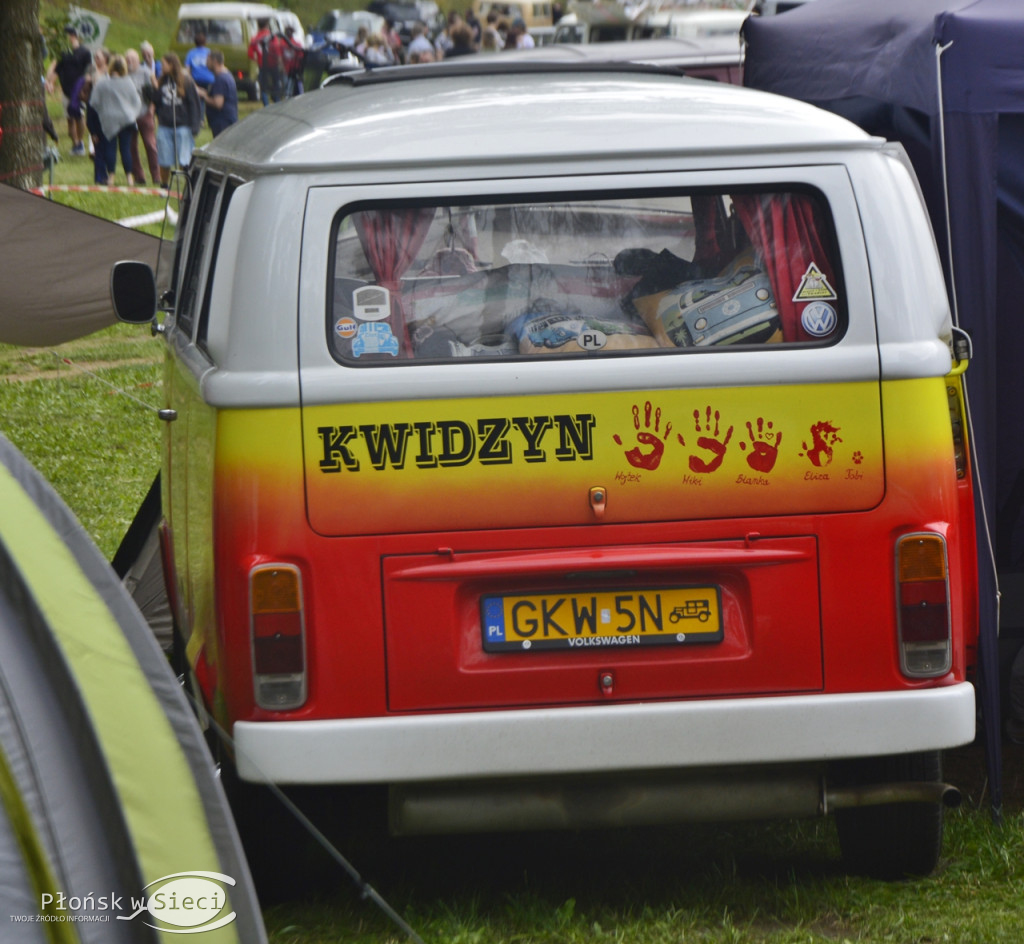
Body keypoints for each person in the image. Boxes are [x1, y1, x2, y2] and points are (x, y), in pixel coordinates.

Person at [86, 54, 142, 185]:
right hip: (127, 120)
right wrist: (132, 115)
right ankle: (129, 178)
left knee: (110, 149)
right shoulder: (129, 82)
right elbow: (137, 102)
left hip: (109, 120)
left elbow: (94, 102)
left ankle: (111, 177)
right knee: (125, 149)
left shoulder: (102, 83)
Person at [153, 52, 202, 187]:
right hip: (164, 126)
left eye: (164, 64)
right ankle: (164, 184)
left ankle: (188, 185)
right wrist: (153, 88)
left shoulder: (186, 81)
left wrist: (195, 125)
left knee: (184, 159)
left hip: (182, 126)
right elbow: (156, 101)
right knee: (164, 158)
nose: (161, 67)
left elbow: (194, 103)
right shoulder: (162, 81)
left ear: (172, 65)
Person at [45, 26, 91, 156]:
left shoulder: (84, 52)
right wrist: (50, 83)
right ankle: (75, 143)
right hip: (66, 90)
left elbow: (88, 70)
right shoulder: (64, 52)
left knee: (79, 116)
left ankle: (80, 142)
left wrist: (85, 88)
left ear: (72, 36)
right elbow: (57, 70)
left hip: (79, 91)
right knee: (70, 119)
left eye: (65, 36)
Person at [125, 48, 159, 186]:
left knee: (150, 145)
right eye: (127, 60)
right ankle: (139, 176)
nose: (129, 62)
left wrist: (151, 109)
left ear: (138, 60)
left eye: (132, 60)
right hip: (129, 116)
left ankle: (156, 175)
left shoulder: (146, 72)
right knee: (131, 146)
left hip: (144, 113)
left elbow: (155, 91)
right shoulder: (123, 74)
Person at [197, 49, 238, 137]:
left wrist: (203, 96)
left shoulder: (221, 79)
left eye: (208, 61)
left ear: (214, 61)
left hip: (222, 123)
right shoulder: (227, 75)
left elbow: (218, 103)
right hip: (227, 120)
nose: (206, 64)